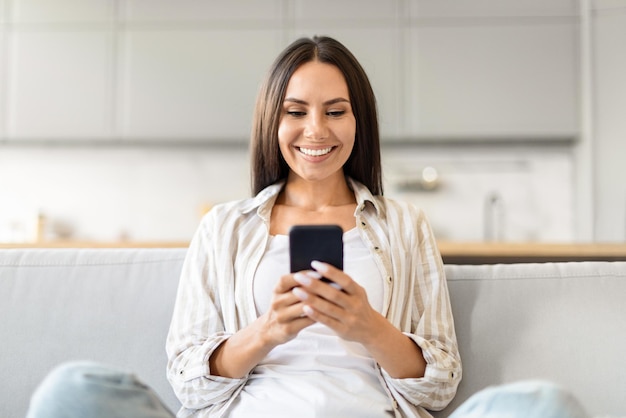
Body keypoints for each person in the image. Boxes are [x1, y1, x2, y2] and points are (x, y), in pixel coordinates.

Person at [25, 36, 588, 418]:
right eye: (296, 111)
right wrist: (267, 331)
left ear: (358, 121)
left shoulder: (404, 225)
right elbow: (188, 382)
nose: (315, 129)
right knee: (73, 390)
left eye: (335, 110)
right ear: (274, 121)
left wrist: (369, 327)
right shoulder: (225, 228)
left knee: (543, 405)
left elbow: (439, 383)